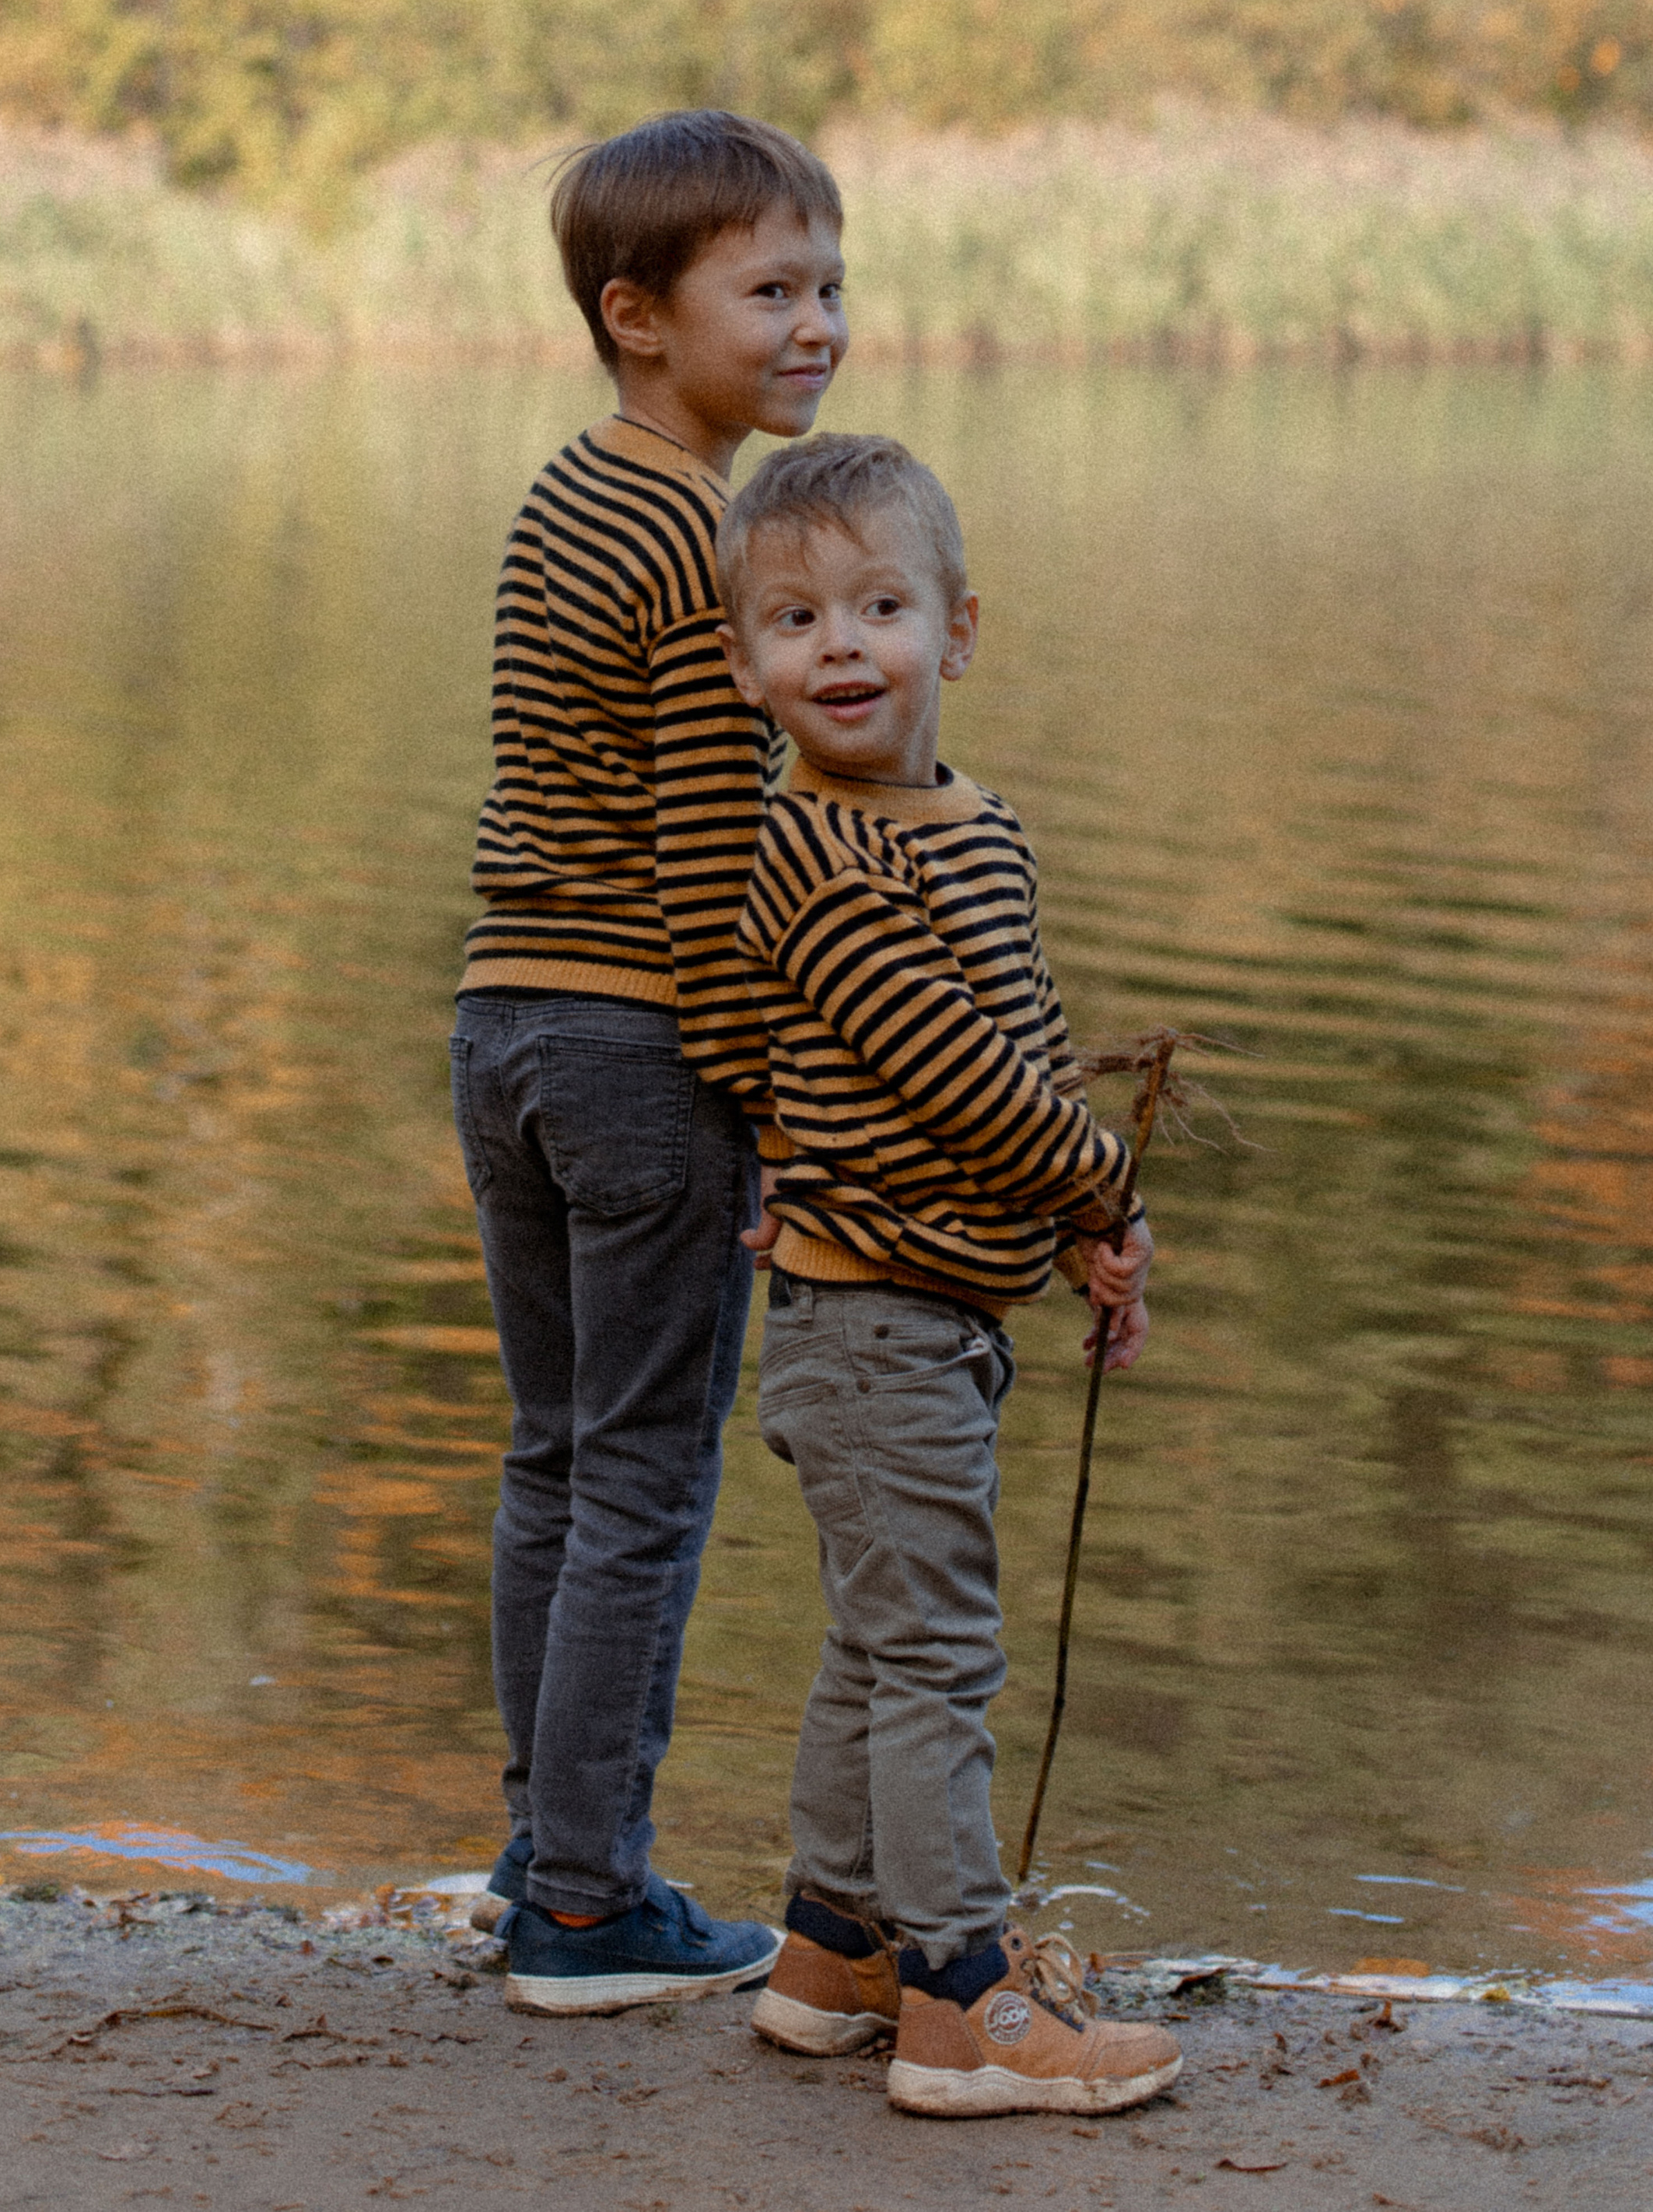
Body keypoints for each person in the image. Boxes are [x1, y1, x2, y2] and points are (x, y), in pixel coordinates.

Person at [715, 431, 1182, 2117]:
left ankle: (832, 1952)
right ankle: (960, 2004)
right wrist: (1103, 1175)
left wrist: (1079, 1233)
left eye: (878, 606)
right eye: (792, 619)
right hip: (867, 1326)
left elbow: (1028, 1046)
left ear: (956, 630)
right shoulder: (816, 858)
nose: (837, 645)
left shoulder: (970, 827)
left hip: (931, 1319)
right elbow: (959, 1081)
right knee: (931, 1664)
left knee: (876, 1643)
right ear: (742, 661)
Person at [450, 111, 846, 2015]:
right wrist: (773, 1101)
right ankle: (590, 1907)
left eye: (826, 287)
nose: (815, 324)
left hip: (501, 1024)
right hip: (634, 1042)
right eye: (768, 291)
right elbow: (711, 862)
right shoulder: (712, 537)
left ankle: (543, 1845)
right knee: (643, 1476)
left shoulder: (565, 491)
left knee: (553, 1457)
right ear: (636, 314)